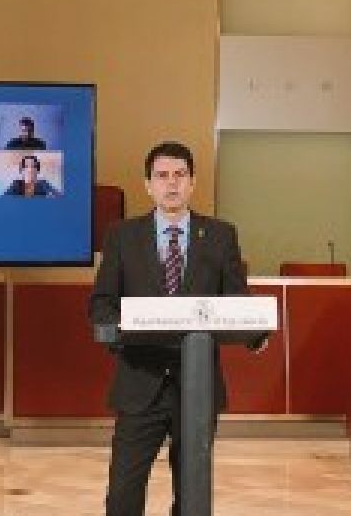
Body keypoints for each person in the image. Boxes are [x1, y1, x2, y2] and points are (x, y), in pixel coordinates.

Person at [90, 141, 264, 516]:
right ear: (148, 185)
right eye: (162, 176)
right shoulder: (122, 235)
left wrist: (255, 333)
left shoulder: (220, 235)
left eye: (180, 175)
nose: (172, 183)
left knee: (192, 498)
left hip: (197, 385)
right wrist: (114, 332)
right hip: (139, 382)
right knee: (122, 496)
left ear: (193, 182)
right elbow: (102, 302)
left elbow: (236, 299)